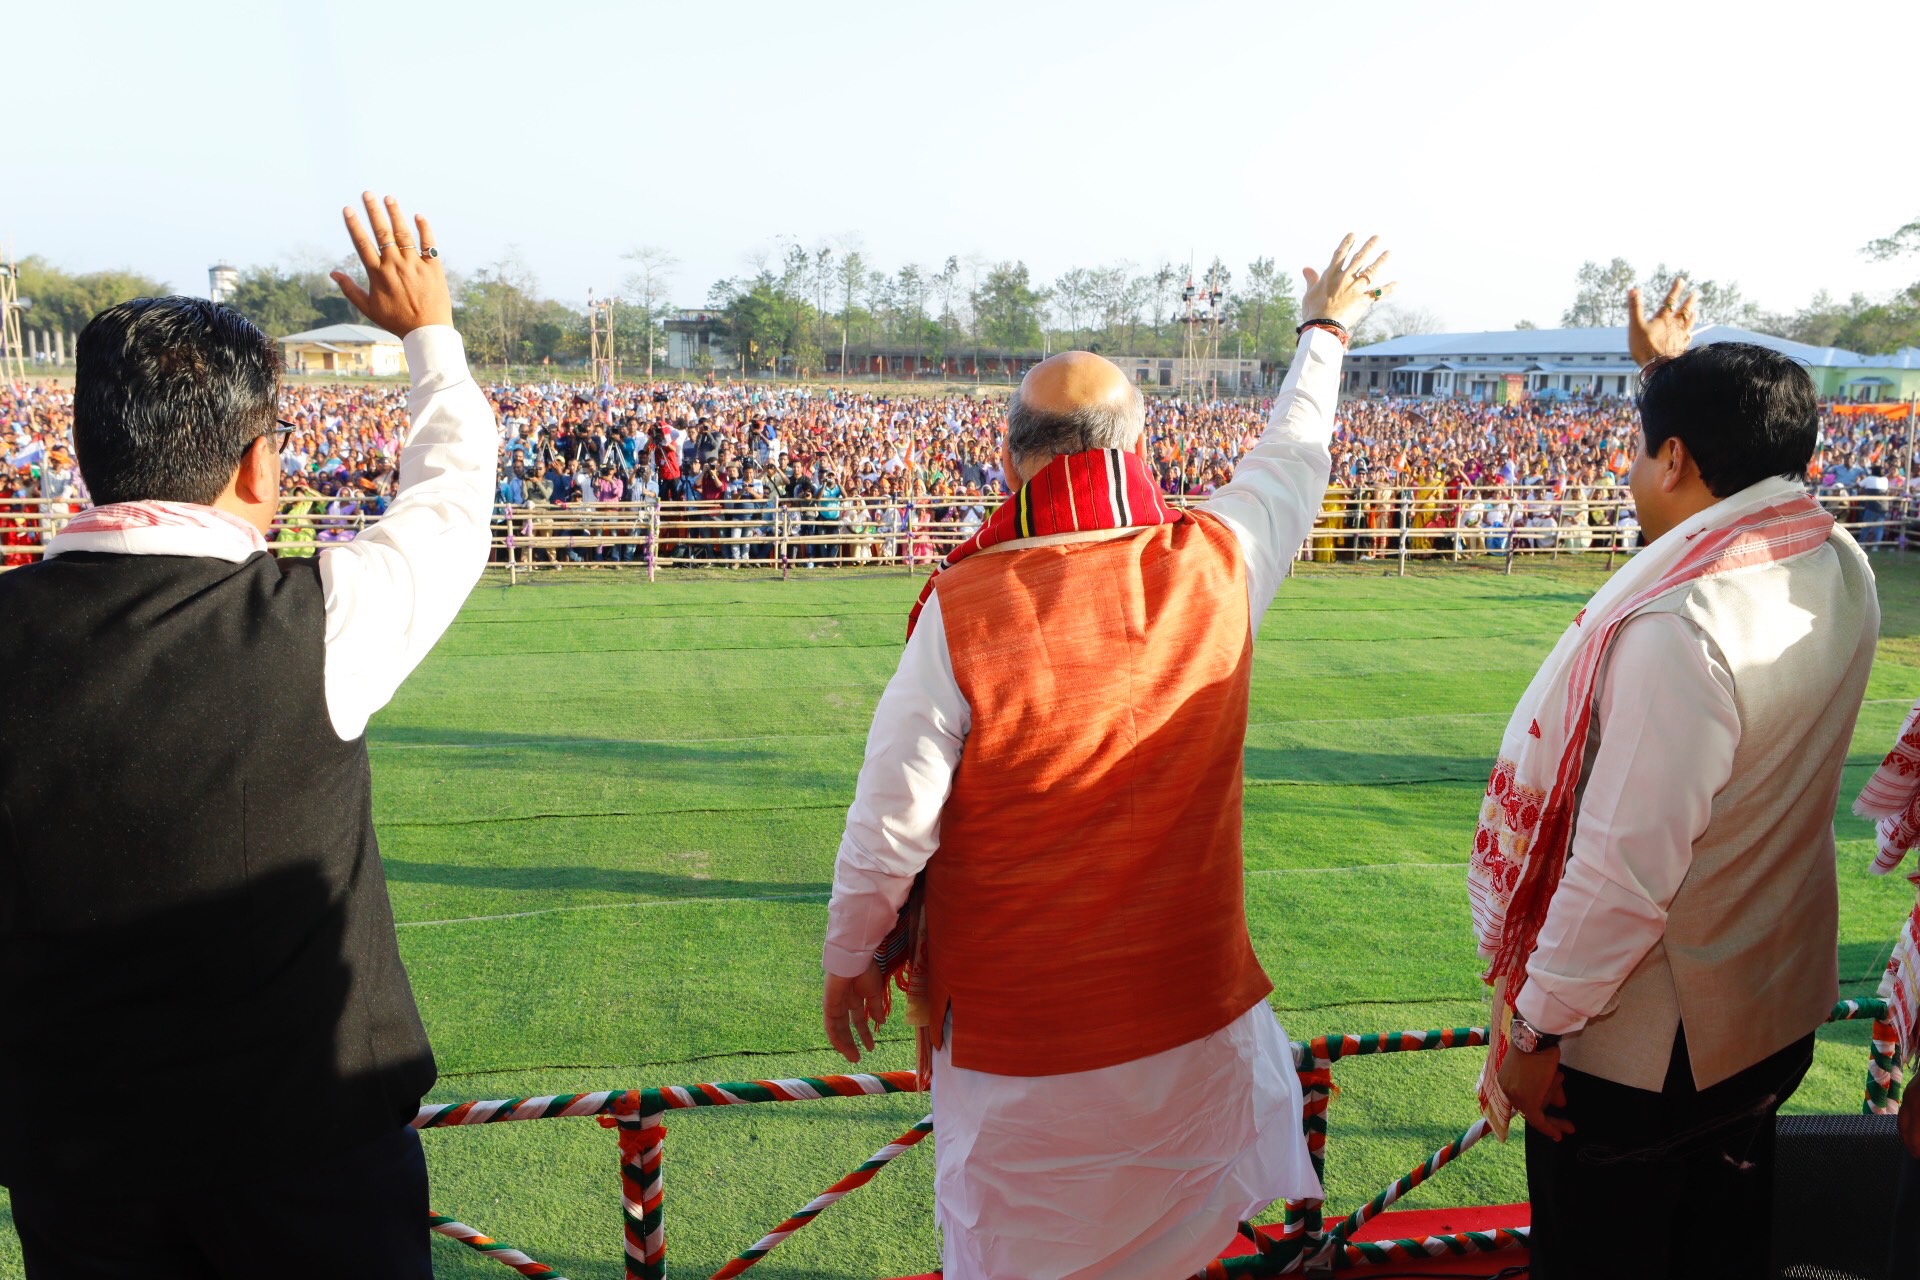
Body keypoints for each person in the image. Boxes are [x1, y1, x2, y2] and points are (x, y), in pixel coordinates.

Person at [820, 234, 1393, 1279]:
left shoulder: (967, 606)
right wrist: (1325, 331)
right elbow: (1294, 455)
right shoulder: (1219, 561)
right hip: (1191, 1024)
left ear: (1013, 458)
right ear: (1137, 449)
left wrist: (851, 955)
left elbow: (889, 824)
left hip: (1022, 1053)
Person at [0, 193, 496, 1280]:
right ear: (258, 467)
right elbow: (454, 497)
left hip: (75, 1168)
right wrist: (428, 332)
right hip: (311, 1158)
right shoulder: (322, 618)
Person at [1466, 279, 1881, 1279]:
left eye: (1642, 447)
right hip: (1768, 1012)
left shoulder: (1676, 627)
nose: (1628, 471)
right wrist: (1663, 373)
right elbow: (1724, 482)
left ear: (1678, 457)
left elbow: (1621, 871)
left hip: (1648, 1055)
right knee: (1722, 1246)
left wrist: (1536, 1026)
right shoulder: (1836, 559)